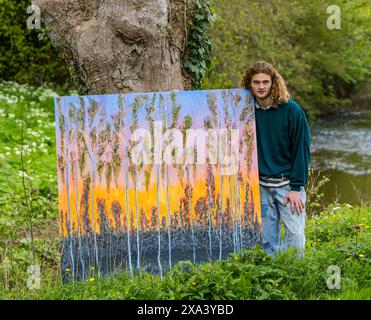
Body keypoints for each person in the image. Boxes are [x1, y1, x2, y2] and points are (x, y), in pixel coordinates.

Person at [240, 61, 311, 257]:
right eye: (256, 82)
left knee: (295, 237)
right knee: (266, 240)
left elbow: (301, 151)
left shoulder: (291, 110)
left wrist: (297, 187)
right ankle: (271, 280)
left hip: (288, 186)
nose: (261, 87)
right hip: (261, 187)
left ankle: (295, 278)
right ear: (249, 84)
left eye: (265, 82)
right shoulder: (245, 112)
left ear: (273, 83)